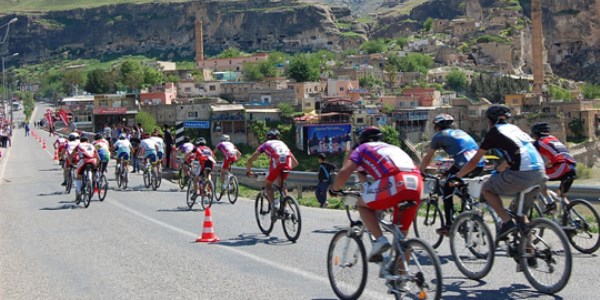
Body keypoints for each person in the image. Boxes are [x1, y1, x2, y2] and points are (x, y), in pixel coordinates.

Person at [331, 126, 422, 262]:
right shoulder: (393, 148)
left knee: (363, 205)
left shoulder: (362, 149)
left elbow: (345, 171)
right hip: (417, 182)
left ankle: (379, 240)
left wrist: (335, 188)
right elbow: (363, 174)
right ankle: (402, 279)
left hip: (395, 181)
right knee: (401, 239)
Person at [456, 105, 547, 242]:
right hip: (540, 172)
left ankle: (506, 221)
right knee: (520, 214)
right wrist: (502, 168)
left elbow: (475, 161)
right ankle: (529, 252)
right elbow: (521, 151)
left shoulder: (494, 132)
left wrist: (457, 176)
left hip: (522, 174)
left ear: (490, 121)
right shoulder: (515, 129)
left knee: (487, 188)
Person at [419, 113, 484, 236]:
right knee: (459, 184)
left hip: (465, 165)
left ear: (437, 127)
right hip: (479, 164)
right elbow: (462, 154)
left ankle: (449, 225)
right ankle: (470, 210)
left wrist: (420, 171)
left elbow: (428, 157)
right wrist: (448, 172)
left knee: (447, 189)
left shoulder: (439, 136)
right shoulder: (460, 132)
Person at [246, 129, 299, 219]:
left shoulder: (266, 144)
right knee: (282, 184)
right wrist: (283, 171)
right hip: (287, 163)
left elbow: (251, 159)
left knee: (268, 185)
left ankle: (273, 205)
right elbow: (295, 163)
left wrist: (248, 171)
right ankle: (286, 208)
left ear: (267, 137)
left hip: (276, 162)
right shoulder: (282, 144)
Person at [531, 122, 577, 211]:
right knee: (562, 196)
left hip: (562, 167)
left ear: (536, 134)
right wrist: (547, 165)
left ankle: (550, 202)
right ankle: (570, 219)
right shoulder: (553, 139)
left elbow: (527, 153)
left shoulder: (539, 143)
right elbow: (558, 155)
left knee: (537, 177)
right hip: (572, 168)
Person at [68, 136, 100, 202]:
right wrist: (96, 166)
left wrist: (70, 162)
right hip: (93, 160)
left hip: (84, 161)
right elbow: (99, 159)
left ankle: (79, 191)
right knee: (94, 172)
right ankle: (94, 184)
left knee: (78, 176)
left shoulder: (79, 145)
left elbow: (72, 155)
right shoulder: (91, 145)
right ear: (88, 140)